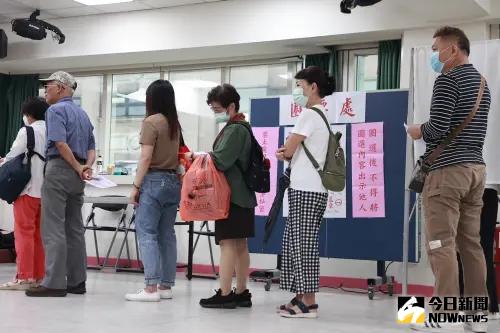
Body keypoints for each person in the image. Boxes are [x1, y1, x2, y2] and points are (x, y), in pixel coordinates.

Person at [407, 27, 491, 332]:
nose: (433, 55)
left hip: (446, 173)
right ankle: (475, 317)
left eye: (435, 48)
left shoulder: (448, 79)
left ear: (453, 50)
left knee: (440, 243)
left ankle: (444, 316)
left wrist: (417, 130)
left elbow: (437, 129)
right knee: (471, 244)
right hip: (476, 172)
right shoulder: (483, 83)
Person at [186, 84, 256, 309]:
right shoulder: (243, 126)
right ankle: (242, 291)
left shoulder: (235, 129)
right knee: (240, 245)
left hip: (231, 197)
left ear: (232, 106)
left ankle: (225, 293)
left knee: (227, 244)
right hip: (243, 196)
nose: (216, 113)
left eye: (218, 109)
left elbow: (221, 160)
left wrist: (196, 155)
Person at [26, 71, 96, 297]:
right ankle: (77, 282)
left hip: (59, 169)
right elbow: (92, 149)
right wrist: (85, 167)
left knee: (53, 226)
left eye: (49, 85)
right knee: (75, 228)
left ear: (63, 87)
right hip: (78, 175)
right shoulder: (83, 115)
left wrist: (77, 166)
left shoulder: (55, 111)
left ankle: (54, 283)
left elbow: (60, 143)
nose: (45, 90)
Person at [275, 66, 335, 318]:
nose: (297, 91)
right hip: (311, 188)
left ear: (313, 87)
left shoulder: (310, 114)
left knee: (304, 245)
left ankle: (309, 302)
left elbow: (288, 150)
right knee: (297, 242)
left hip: (306, 189)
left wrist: (283, 152)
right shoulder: (320, 115)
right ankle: (300, 296)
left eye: (300, 86)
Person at [125, 80, 182, 302]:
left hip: (153, 181)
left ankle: (150, 288)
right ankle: (165, 286)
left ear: (151, 99)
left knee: (147, 233)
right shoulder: (174, 123)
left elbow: (146, 157)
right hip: (172, 182)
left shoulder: (151, 122)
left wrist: (135, 187)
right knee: (167, 234)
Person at [0, 97, 48, 290]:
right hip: (47, 191)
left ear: (28, 115)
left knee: (23, 233)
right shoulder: (53, 130)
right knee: (38, 235)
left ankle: (24, 277)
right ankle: (38, 276)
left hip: (27, 189)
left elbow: (13, 155)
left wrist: (3, 160)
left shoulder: (27, 130)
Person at [458, 184, 500, 320]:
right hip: (489, 190)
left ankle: (462, 307)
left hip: (465, 188)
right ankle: (489, 307)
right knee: (482, 250)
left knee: (460, 249)